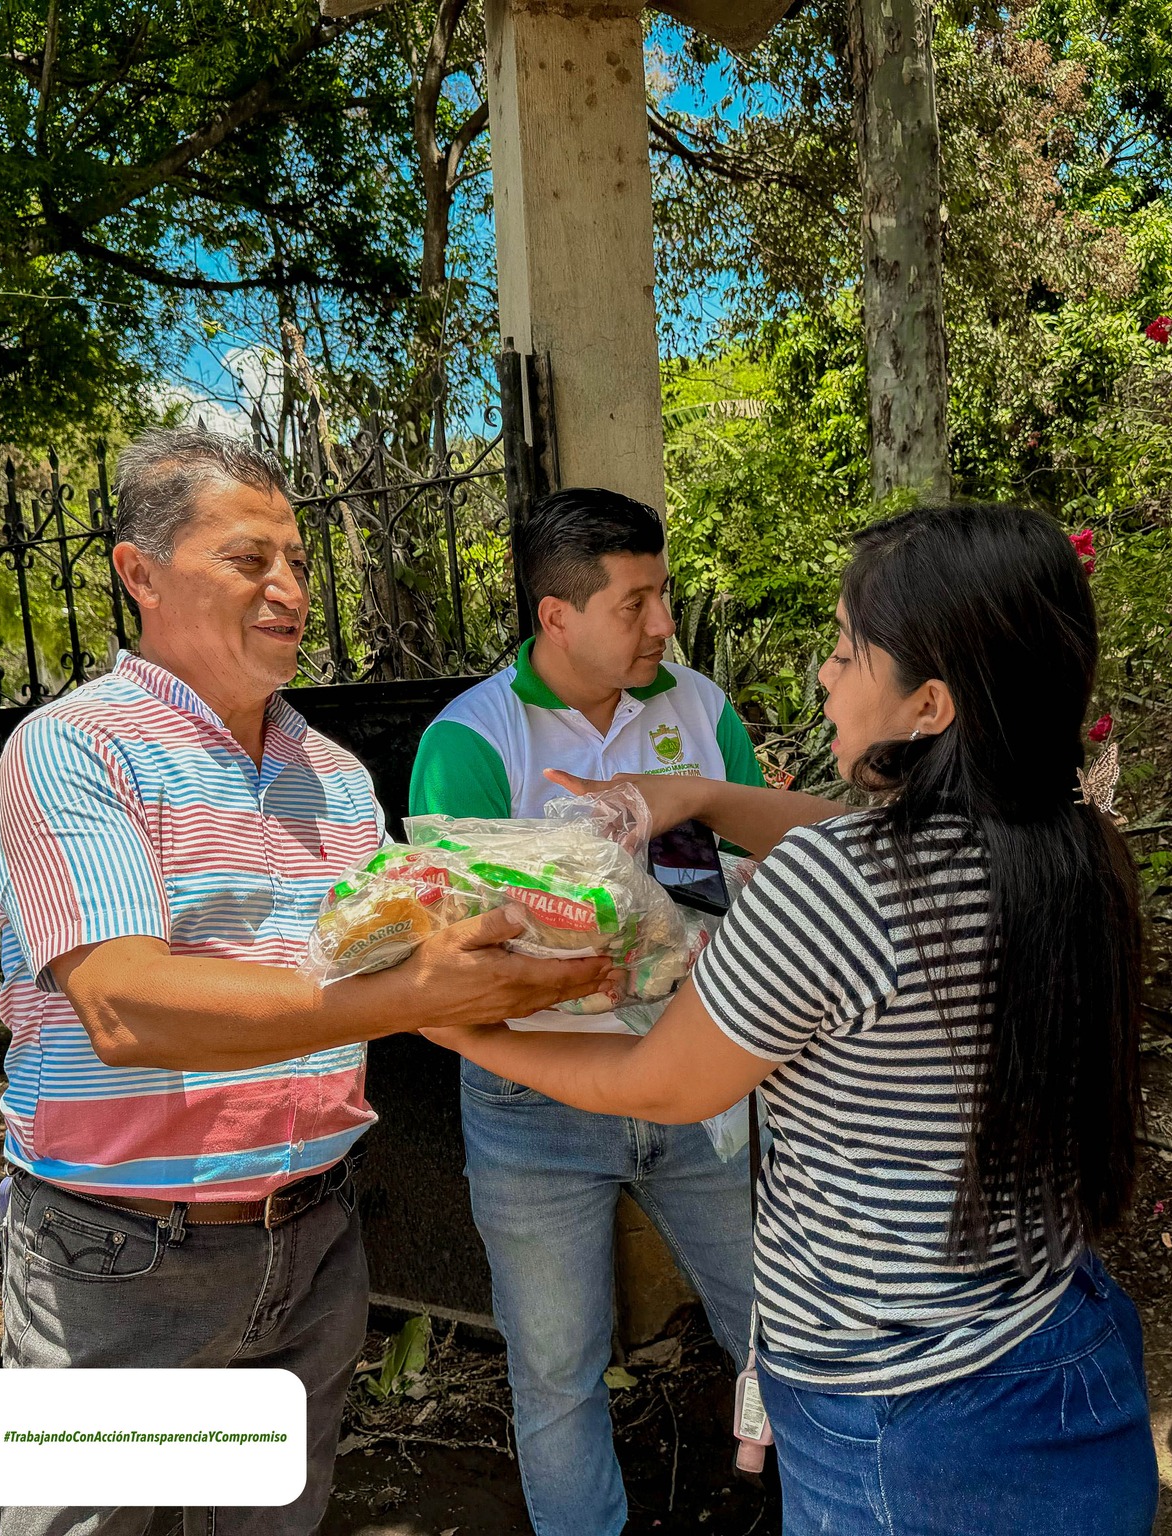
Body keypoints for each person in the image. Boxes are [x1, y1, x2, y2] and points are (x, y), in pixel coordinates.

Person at [425, 504, 1160, 1536]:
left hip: (892, 1407)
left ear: (929, 704)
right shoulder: (1076, 847)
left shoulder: (832, 875)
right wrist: (698, 797)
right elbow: (862, 839)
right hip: (1057, 1336)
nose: (822, 673)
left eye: (848, 650)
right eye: (637, 602)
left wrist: (458, 1029)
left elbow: (665, 1083)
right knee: (557, 1366)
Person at [0, 429, 610, 1536]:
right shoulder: (74, 749)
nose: (290, 589)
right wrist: (414, 997)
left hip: (314, 1235)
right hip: (119, 1255)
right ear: (139, 574)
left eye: (299, 562)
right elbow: (125, 1007)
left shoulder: (334, 775)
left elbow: (389, 973)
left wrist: (542, 974)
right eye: (248, 559)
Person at [407, 486, 763, 1536]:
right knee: (557, 1370)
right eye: (634, 603)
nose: (662, 624)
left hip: (700, 1072)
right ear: (555, 615)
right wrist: (602, 949)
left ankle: (832, 1508)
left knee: (778, 1331)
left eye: (664, 595)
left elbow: (764, 861)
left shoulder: (698, 708)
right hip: (535, 1103)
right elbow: (450, 941)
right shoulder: (472, 741)